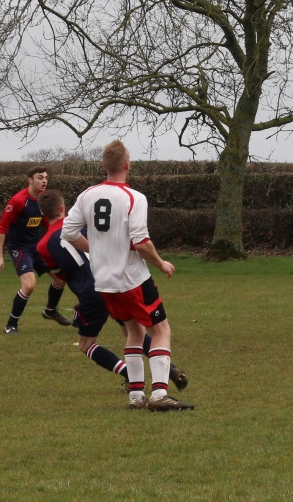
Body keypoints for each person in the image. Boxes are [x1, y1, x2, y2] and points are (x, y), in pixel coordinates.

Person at [62, 140, 194, 411]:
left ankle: (136, 396)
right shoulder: (134, 197)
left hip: (104, 281)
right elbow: (141, 242)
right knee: (161, 330)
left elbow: (68, 232)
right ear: (127, 164)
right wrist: (161, 264)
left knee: (134, 331)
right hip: (132, 278)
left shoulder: (87, 195)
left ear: (104, 165)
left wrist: (96, 250)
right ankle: (159, 394)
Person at [36, 189, 189, 392]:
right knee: (134, 331)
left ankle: (129, 375)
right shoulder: (85, 224)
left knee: (86, 344)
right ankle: (170, 370)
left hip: (90, 293)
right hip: (113, 279)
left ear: (42, 214)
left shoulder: (43, 246)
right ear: (63, 208)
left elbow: (59, 278)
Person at [0, 165, 72, 333]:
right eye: (40, 178)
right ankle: (11, 325)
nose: (44, 181)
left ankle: (50, 310)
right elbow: (2, 227)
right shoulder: (18, 201)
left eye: (46, 178)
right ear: (30, 180)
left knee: (60, 279)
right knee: (29, 285)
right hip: (20, 249)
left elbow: (47, 223)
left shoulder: (43, 200)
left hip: (37, 248)